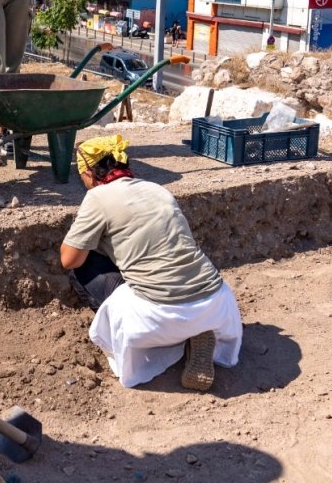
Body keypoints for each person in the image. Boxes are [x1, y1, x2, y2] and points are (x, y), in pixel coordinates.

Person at [60, 135, 243, 390]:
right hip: (216, 303)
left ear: (89, 174)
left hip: (158, 317)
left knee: (82, 267)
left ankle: (157, 340)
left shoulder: (98, 197)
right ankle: (196, 332)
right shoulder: (158, 189)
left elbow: (69, 258)